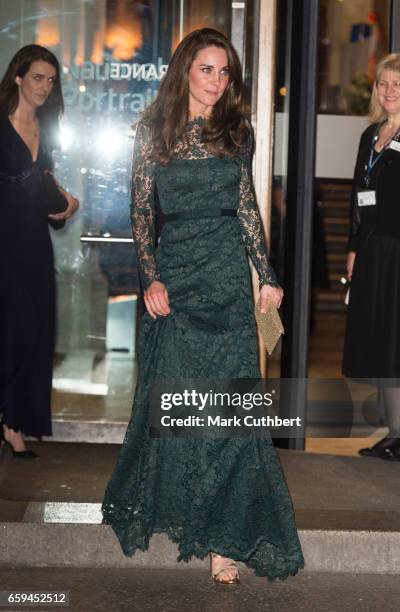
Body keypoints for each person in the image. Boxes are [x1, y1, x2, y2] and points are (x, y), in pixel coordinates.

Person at [102, 28, 304, 583]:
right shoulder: (153, 131)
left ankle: (222, 540)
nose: (216, 82)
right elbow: (141, 212)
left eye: (224, 73)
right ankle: (194, 514)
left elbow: (246, 210)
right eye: (207, 70)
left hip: (226, 283)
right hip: (178, 278)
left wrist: (266, 276)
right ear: (185, 71)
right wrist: (152, 278)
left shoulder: (237, 132)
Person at [0, 45, 79, 458]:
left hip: (32, 241)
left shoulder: (46, 129)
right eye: (37, 77)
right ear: (17, 77)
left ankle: (15, 421)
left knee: (34, 329)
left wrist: (65, 206)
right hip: (2, 242)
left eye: (51, 80)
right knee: (8, 329)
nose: (45, 87)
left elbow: (43, 187)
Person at [343, 53, 400, 461]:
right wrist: (353, 247)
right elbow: (356, 196)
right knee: (379, 339)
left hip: (399, 249)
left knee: (396, 341)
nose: (389, 91)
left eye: (397, 84)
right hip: (372, 249)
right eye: (383, 83)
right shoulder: (371, 135)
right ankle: (394, 430)